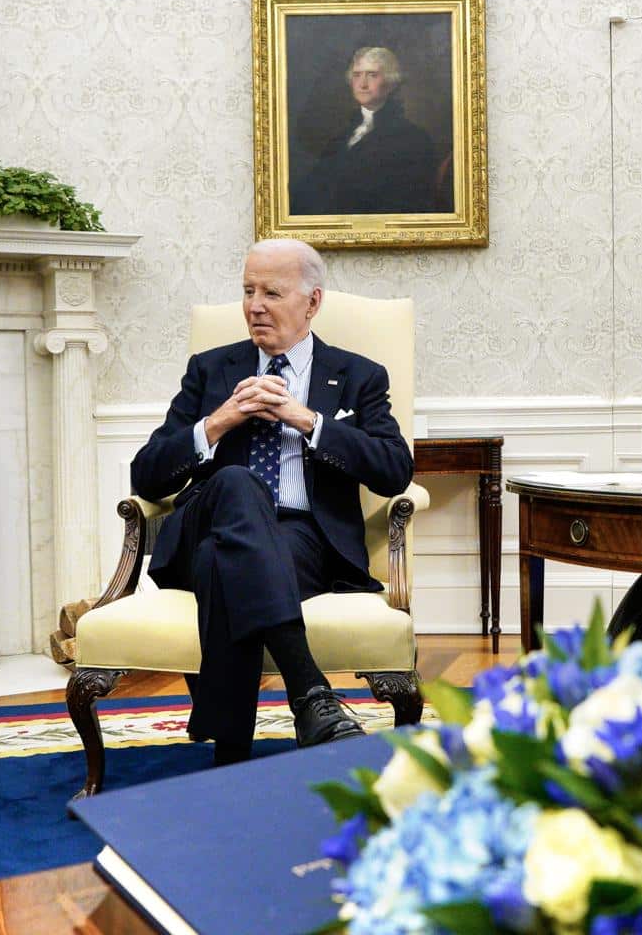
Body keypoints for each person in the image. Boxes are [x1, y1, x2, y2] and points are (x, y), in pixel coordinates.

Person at [129, 239, 414, 764]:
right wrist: (218, 422)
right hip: (204, 520)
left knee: (226, 560)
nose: (255, 305)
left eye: (271, 293)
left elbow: (396, 469)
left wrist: (307, 420)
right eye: (248, 291)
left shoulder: (357, 375)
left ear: (312, 302)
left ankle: (230, 754)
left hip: (304, 538)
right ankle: (310, 691)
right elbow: (146, 476)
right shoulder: (210, 370)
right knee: (237, 483)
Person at [289, 46, 451, 217]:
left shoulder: (413, 139)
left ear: (390, 83)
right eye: (357, 75)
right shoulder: (343, 136)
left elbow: (409, 205)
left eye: (372, 75)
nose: (362, 84)